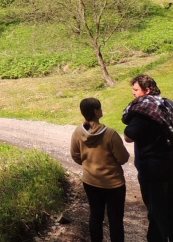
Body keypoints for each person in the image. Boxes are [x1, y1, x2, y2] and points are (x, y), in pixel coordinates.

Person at [122, 74, 173, 242]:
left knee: (157, 217)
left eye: (136, 89)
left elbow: (129, 135)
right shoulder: (169, 104)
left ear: (147, 90)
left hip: (155, 172)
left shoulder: (143, 111)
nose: (133, 93)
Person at [70, 98, 130, 242]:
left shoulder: (78, 132)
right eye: (100, 108)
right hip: (114, 183)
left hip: (90, 181)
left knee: (95, 216)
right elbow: (123, 158)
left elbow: (75, 155)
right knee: (115, 220)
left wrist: (88, 164)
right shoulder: (110, 134)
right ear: (96, 112)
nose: (102, 110)